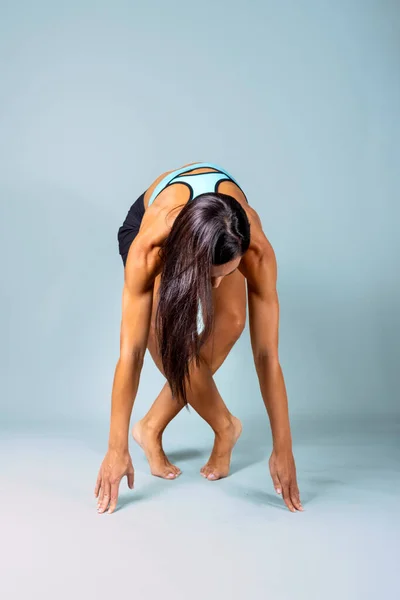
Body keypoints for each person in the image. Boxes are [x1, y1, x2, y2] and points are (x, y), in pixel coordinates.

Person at [94, 161, 303, 514]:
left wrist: (283, 447)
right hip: (159, 227)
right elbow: (130, 353)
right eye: (209, 276)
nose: (216, 285)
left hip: (217, 228)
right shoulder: (150, 248)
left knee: (233, 320)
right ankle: (224, 425)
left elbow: (267, 355)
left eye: (227, 274)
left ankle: (150, 427)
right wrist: (116, 448)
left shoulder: (254, 249)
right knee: (167, 339)